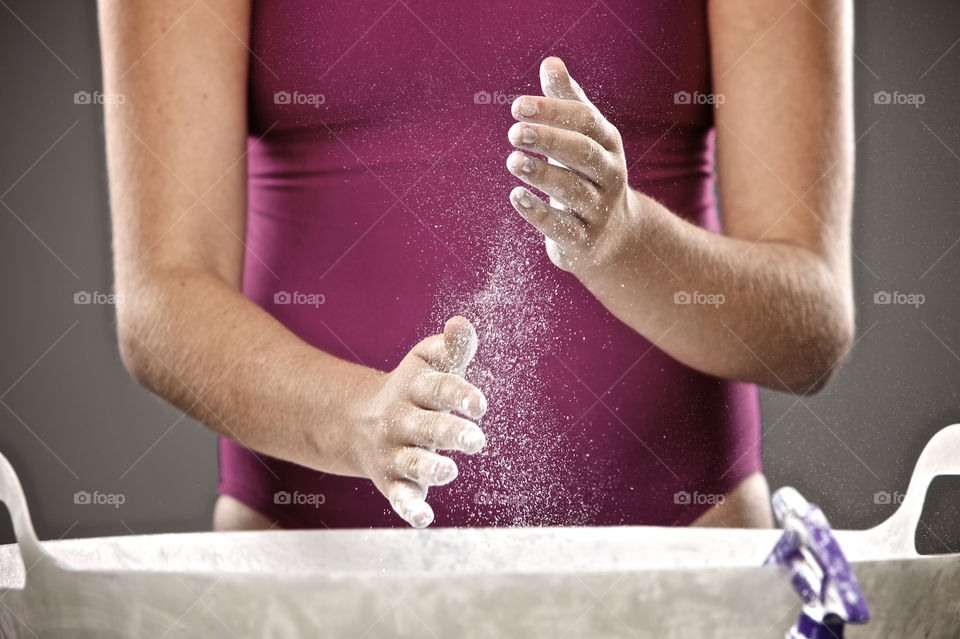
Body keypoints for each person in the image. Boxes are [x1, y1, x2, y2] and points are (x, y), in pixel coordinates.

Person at [97, 0, 854, 531]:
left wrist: (625, 241)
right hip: (310, 582)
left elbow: (810, 327)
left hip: (680, 572)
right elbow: (163, 298)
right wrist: (360, 422)